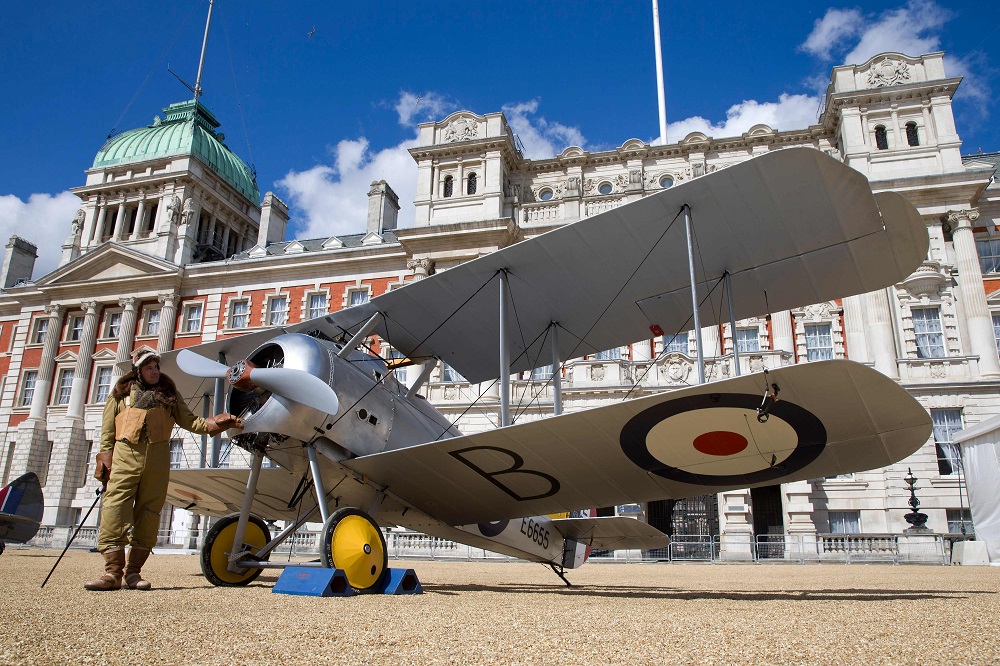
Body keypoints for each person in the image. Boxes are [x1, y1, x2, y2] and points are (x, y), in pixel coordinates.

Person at [85, 349, 240, 591]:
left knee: (150, 514)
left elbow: (192, 422)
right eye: (149, 367)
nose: (155, 371)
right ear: (138, 370)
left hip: (157, 462)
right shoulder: (120, 394)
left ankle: (133, 574)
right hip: (125, 458)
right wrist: (105, 460)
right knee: (115, 510)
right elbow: (107, 433)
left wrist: (217, 422)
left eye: (156, 366)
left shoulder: (169, 394)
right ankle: (112, 573)